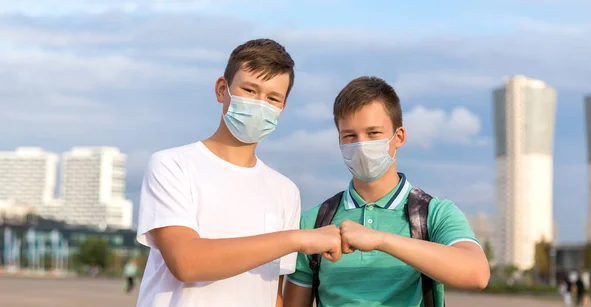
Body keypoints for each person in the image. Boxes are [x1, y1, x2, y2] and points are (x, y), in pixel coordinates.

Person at [135, 38, 342, 307]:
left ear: (282, 108)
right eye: (250, 90)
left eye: (272, 98)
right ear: (222, 89)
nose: (260, 104)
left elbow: (272, 292)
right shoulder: (172, 165)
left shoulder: (286, 191)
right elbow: (186, 262)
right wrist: (298, 239)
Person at [283, 76, 491, 306]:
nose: (361, 145)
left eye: (373, 134)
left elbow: (477, 274)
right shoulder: (314, 221)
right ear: (339, 140)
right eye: (350, 136)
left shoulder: (434, 213)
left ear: (399, 137)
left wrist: (381, 240)